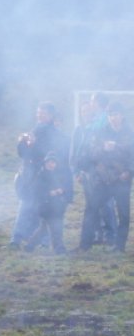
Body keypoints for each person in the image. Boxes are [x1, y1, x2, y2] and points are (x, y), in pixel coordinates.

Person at [9, 102, 70, 249]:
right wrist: (22, 142)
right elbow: (24, 154)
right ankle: (17, 239)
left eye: (42, 113)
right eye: (38, 113)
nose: (39, 116)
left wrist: (34, 145)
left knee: (43, 209)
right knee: (26, 206)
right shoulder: (35, 130)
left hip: (45, 178)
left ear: (50, 116)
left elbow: (51, 156)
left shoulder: (55, 134)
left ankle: (43, 241)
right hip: (30, 176)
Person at [76, 102, 134, 252]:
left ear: (122, 115)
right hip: (103, 179)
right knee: (91, 209)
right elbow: (91, 153)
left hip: (122, 179)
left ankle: (119, 247)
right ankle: (84, 245)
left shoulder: (130, 132)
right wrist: (102, 148)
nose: (113, 118)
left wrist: (129, 171)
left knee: (124, 214)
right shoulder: (100, 132)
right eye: (110, 115)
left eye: (116, 114)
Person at [24, 151, 72, 254]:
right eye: (49, 162)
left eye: (53, 162)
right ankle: (59, 249)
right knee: (56, 228)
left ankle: (30, 245)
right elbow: (37, 191)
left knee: (43, 229)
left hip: (57, 207)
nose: (51, 164)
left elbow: (65, 187)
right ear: (45, 163)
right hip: (46, 207)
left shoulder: (58, 175)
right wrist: (50, 193)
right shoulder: (40, 176)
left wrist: (62, 191)